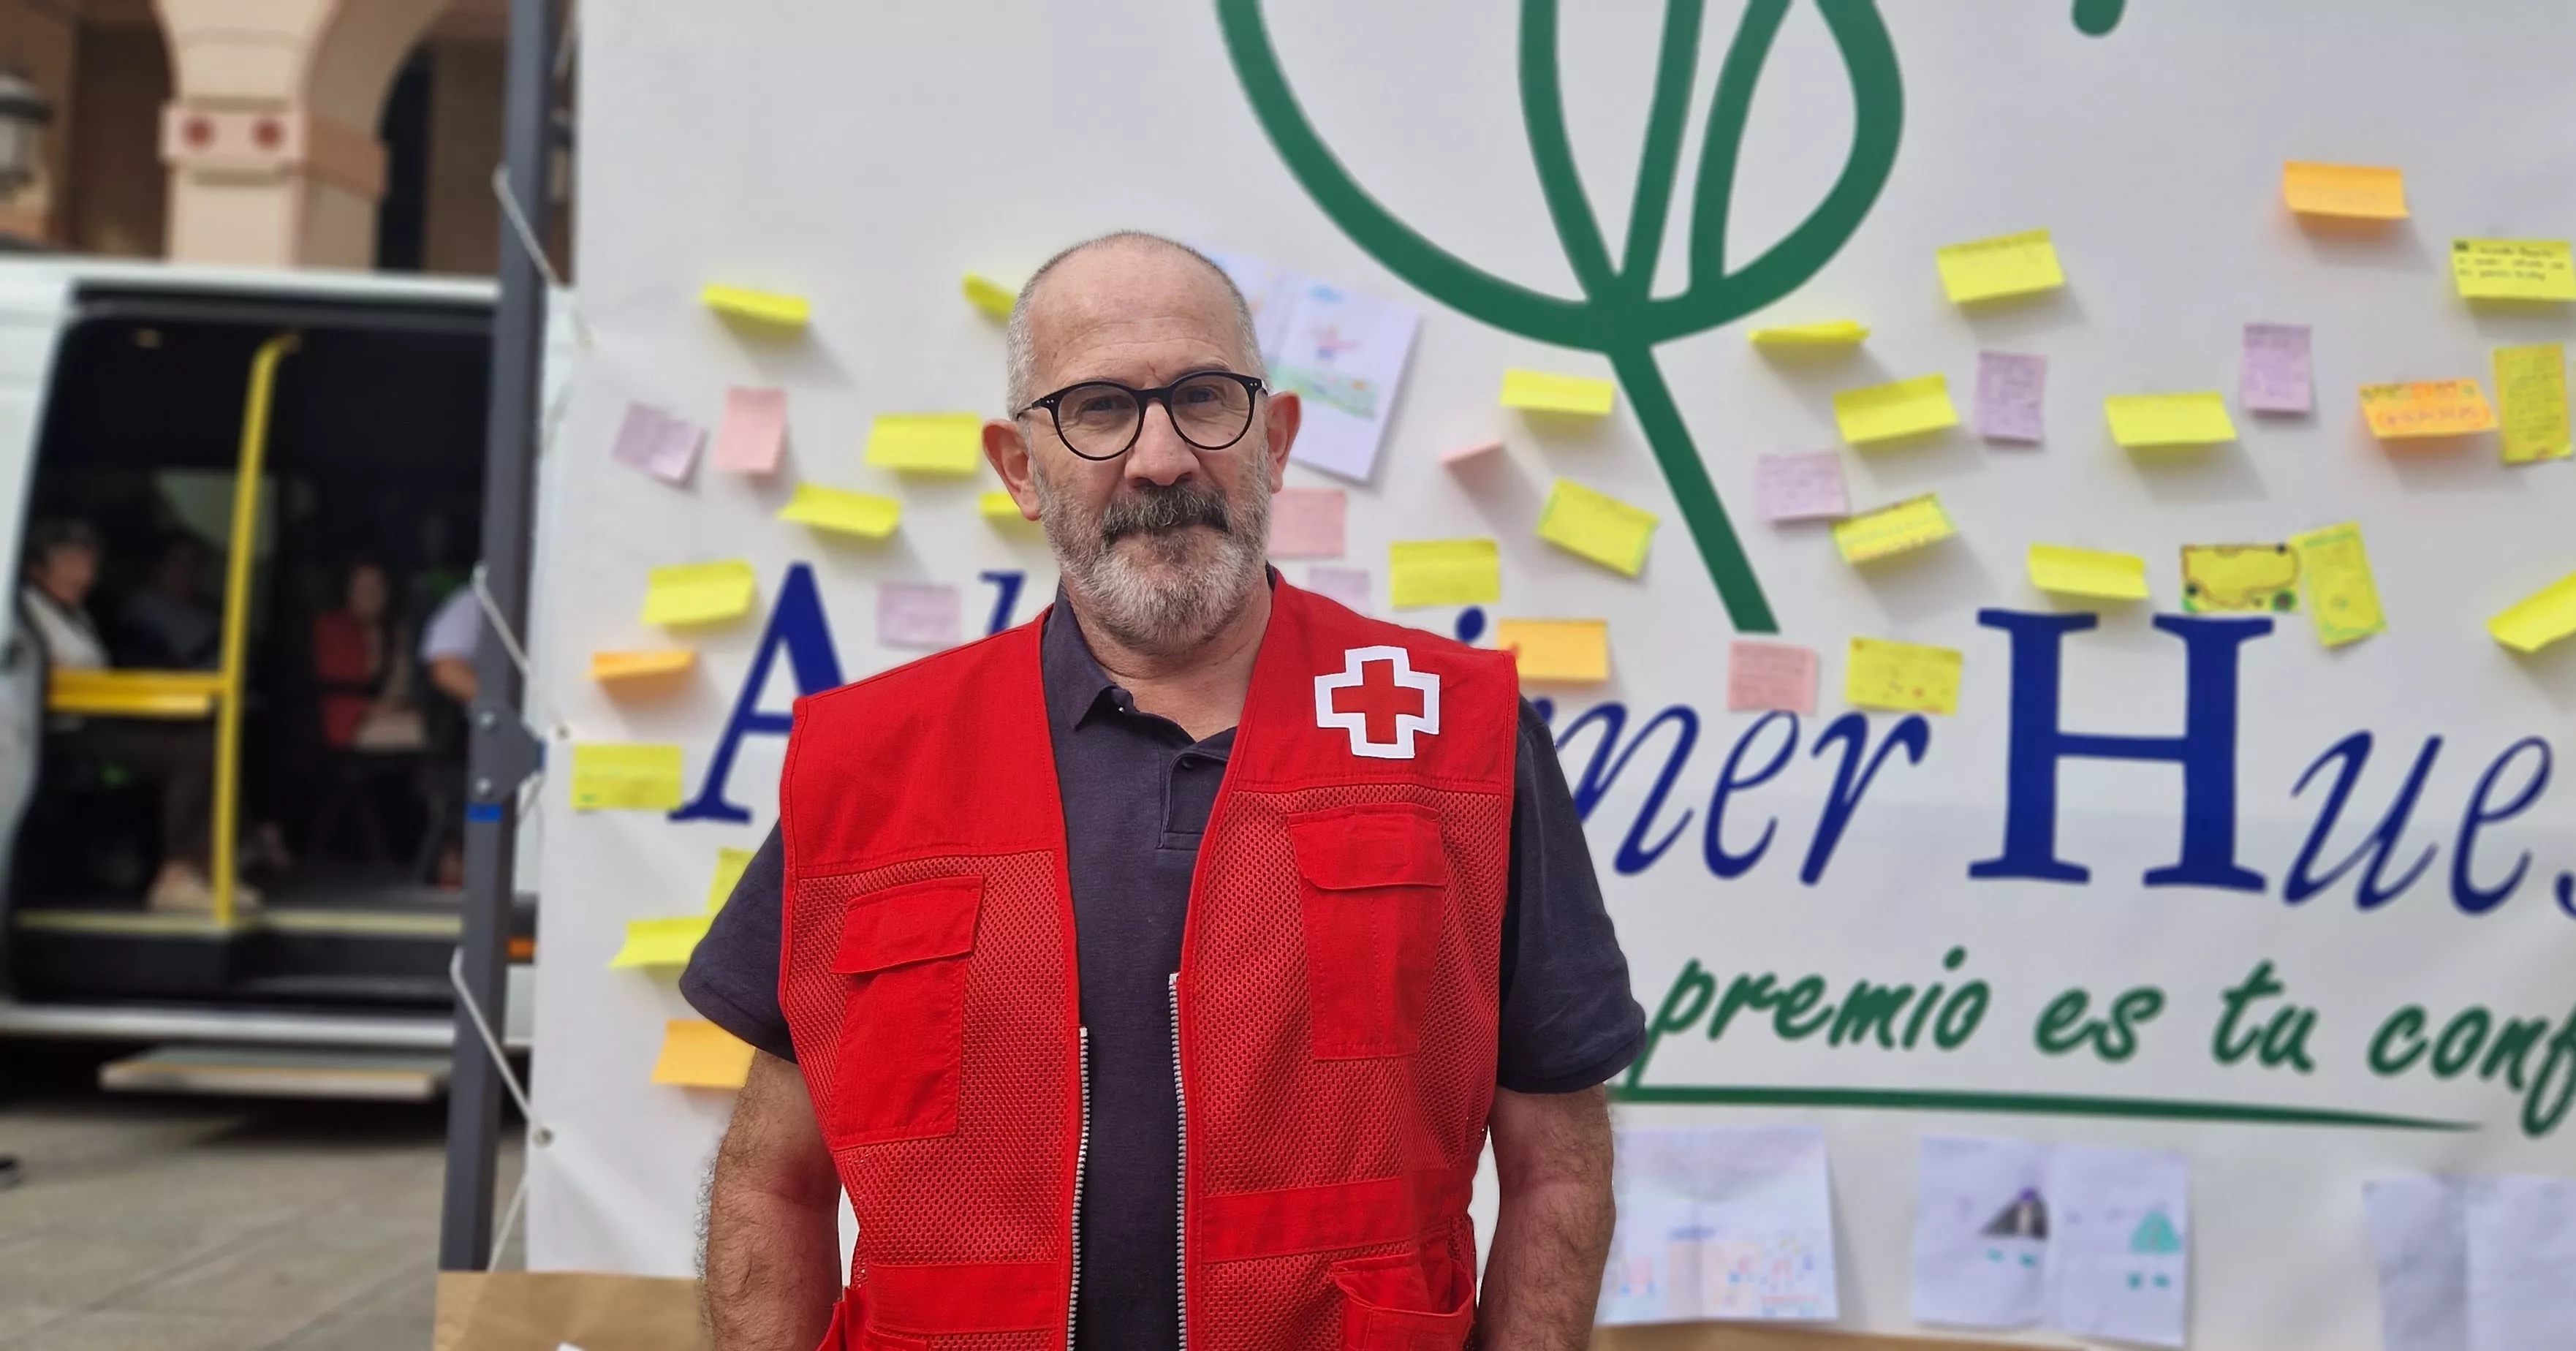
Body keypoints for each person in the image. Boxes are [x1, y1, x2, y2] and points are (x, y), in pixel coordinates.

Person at [685, 232, 1643, 1351]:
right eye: (1097, 410)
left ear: (1276, 441)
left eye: (1203, 398)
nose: (1159, 459)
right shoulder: (871, 761)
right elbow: (772, 1185)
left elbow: (1557, 1168)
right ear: (1018, 468)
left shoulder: (1458, 739)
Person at [16, 520, 244, 913]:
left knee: (211, 738)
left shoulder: (76, 614)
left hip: (99, 722)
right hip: (60, 734)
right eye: (71, 565)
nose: (84, 576)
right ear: (37, 568)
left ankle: (206, 870)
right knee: (194, 754)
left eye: (89, 565)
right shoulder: (25, 613)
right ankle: (175, 878)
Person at [311, 561, 421, 750]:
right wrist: (370, 709)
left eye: (377, 587)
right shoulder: (329, 629)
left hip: (391, 714)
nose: (370, 594)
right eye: (362, 587)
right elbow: (328, 687)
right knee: (425, 733)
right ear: (348, 591)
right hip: (345, 722)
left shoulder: (396, 631)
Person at [118, 533, 220, 670]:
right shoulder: (142, 612)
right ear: (158, 567)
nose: (186, 572)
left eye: (194, 563)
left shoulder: (208, 611)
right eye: (178, 563)